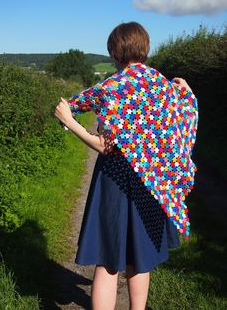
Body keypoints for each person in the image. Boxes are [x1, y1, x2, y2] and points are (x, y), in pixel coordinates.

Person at [55, 22, 198, 310]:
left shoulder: (112, 88)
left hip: (115, 182)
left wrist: (69, 120)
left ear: (115, 51)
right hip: (151, 183)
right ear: (144, 47)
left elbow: (102, 144)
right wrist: (186, 92)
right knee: (139, 259)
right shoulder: (160, 84)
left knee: (108, 261)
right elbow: (184, 118)